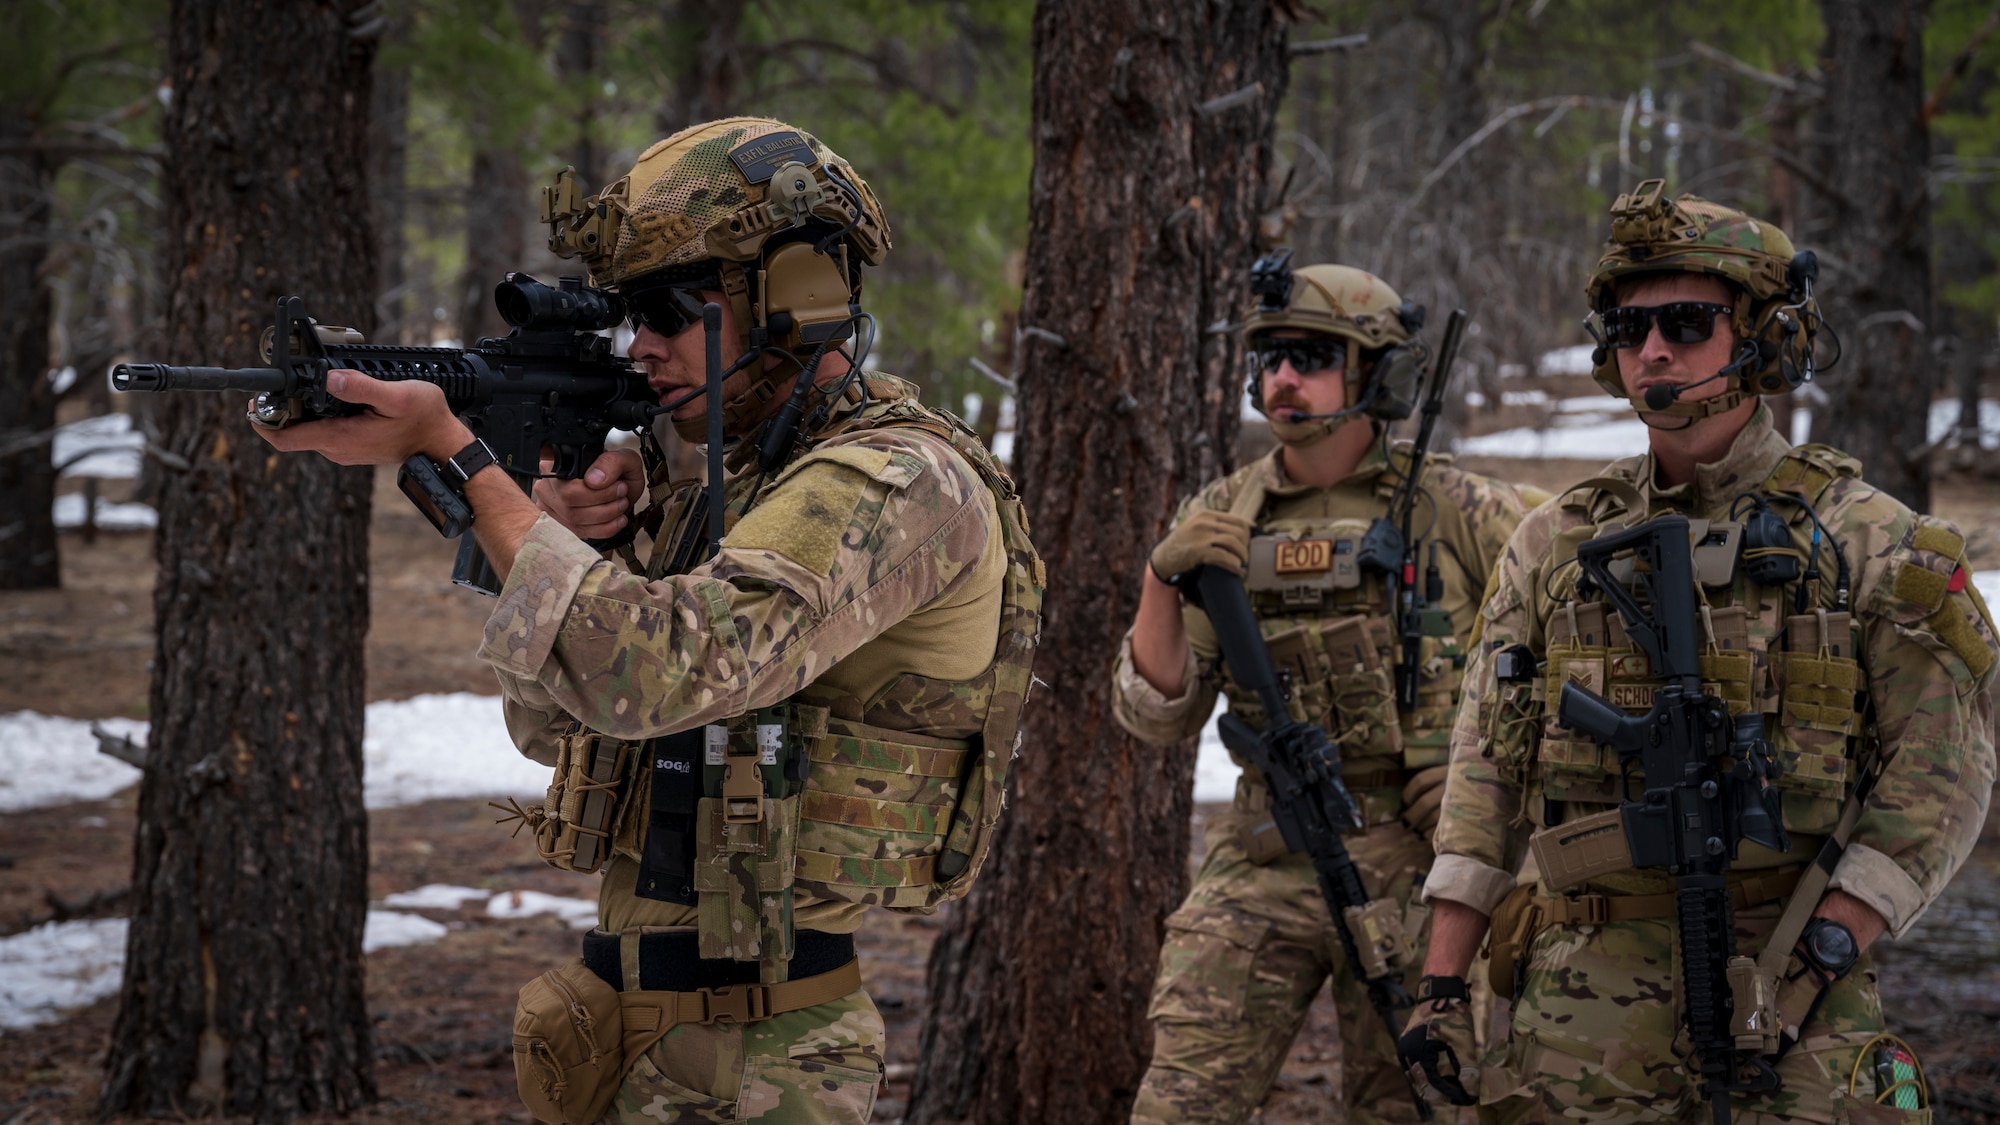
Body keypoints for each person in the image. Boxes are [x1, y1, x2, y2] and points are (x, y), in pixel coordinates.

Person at [255, 117, 1043, 1124]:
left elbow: (660, 676)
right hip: (628, 1026)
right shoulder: (719, 490)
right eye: (633, 315)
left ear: (798, 295)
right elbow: (560, 725)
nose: (644, 345)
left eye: (677, 307)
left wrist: (465, 464)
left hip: (754, 1055)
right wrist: (559, 539)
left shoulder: (894, 483)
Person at [1399, 181, 1998, 1124]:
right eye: (1629, 328)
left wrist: (1821, 956)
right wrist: (1439, 988)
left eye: (1687, 320)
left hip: (1790, 979)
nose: (1655, 349)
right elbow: (1484, 775)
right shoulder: (1553, 543)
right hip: (1581, 1006)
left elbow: (1943, 777)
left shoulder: (1871, 540)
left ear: (1763, 337)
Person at [1113, 253, 1542, 1125]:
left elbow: (1570, 648)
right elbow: (1157, 716)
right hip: (1265, 851)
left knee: (1417, 1101)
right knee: (1179, 1103)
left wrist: (1488, 783)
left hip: (1422, 860)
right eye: (1269, 357)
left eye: (1310, 356)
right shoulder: (1223, 514)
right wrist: (1162, 579)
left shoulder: (1460, 510)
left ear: (1376, 373)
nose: (1281, 378)